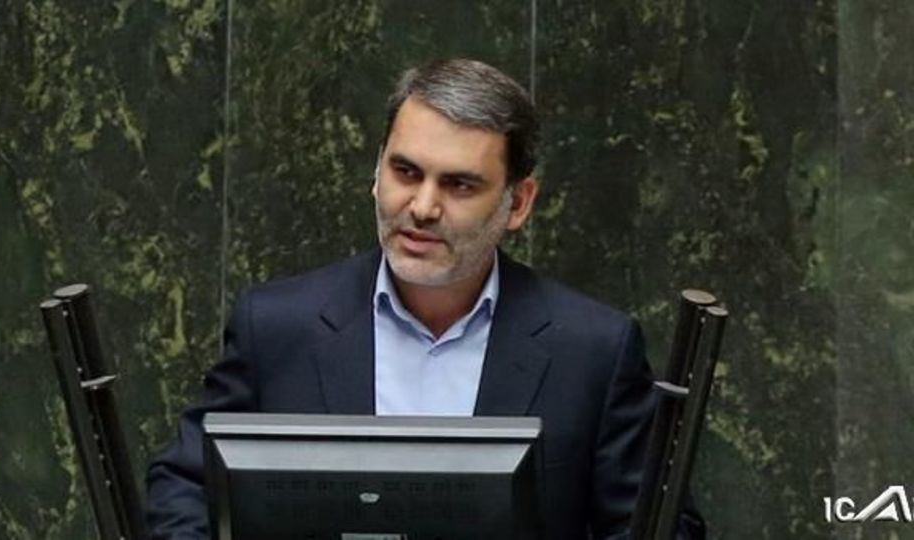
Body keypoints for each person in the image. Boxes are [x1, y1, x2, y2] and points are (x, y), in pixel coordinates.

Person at [146, 58, 705, 539]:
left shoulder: (594, 351)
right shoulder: (275, 327)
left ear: (518, 203)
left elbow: (655, 525)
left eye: (459, 185)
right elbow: (184, 486)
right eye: (406, 172)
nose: (422, 207)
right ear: (376, 172)